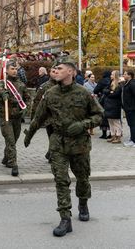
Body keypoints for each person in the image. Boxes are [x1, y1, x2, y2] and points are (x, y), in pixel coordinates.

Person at [24, 56, 103, 237]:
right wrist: (29, 135)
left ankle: (83, 202)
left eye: (60, 68)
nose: (56, 71)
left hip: (80, 144)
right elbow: (39, 117)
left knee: (82, 178)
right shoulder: (50, 94)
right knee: (61, 180)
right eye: (55, 69)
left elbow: (99, 115)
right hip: (58, 142)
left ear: (71, 72)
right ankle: (65, 218)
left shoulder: (83, 93)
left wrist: (83, 125)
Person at [0, 59, 30, 177]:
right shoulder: (3, 83)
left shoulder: (21, 84)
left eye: (16, 69)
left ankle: (6, 157)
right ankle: (13, 164)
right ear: (7, 70)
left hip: (17, 117)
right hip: (6, 117)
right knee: (10, 141)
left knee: (14, 140)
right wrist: (2, 93)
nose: (15, 71)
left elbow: (28, 98)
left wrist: (26, 108)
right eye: (12, 69)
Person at [103, 70, 123, 144]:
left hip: (115, 106)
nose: (110, 75)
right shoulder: (110, 83)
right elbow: (104, 90)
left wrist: (109, 93)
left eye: (112, 74)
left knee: (116, 122)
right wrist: (109, 92)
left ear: (115, 75)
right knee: (110, 121)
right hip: (108, 105)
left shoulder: (119, 84)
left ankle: (118, 137)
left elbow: (115, 94)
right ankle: (113, 135)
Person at [122, 70, 135, 147]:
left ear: (129, 75)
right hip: (128, 108)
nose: (123, 75)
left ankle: (133, 141)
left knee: (133, 124)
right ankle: (132, 138)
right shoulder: (127, 83)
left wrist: (131, 106)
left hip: (132, 109)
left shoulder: (132, 84)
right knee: (130, 125)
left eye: (125, 74)